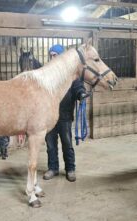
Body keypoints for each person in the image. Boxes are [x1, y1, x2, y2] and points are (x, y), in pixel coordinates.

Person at [43, 44, 88, 182]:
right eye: (50, 55)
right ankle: (53, 168)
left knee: (67, 143)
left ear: (61, 56)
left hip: (65, 116)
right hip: (49, 116)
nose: (52, 57)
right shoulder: (46, 73)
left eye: (55, 55)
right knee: (50, 145)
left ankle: (70, 169)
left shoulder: (70, 74)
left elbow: (78, 86)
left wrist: (81, 94)